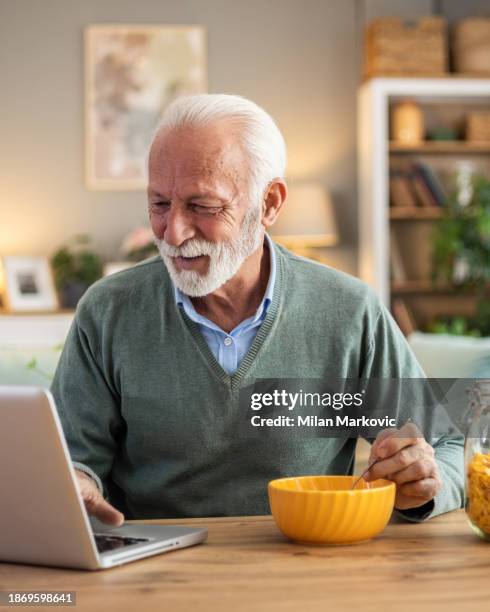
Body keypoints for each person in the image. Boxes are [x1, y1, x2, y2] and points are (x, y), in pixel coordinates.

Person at [51, 94, 464, 527]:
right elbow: (73, 459)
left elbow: (451, 444)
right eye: (159, 204)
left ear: (269, 204)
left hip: (308, 564)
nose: (173, 232)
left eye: (203, 206)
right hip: (149, 569)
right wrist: (73, 483)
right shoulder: (107, 311)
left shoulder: (348, 311)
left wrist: (424, 482)